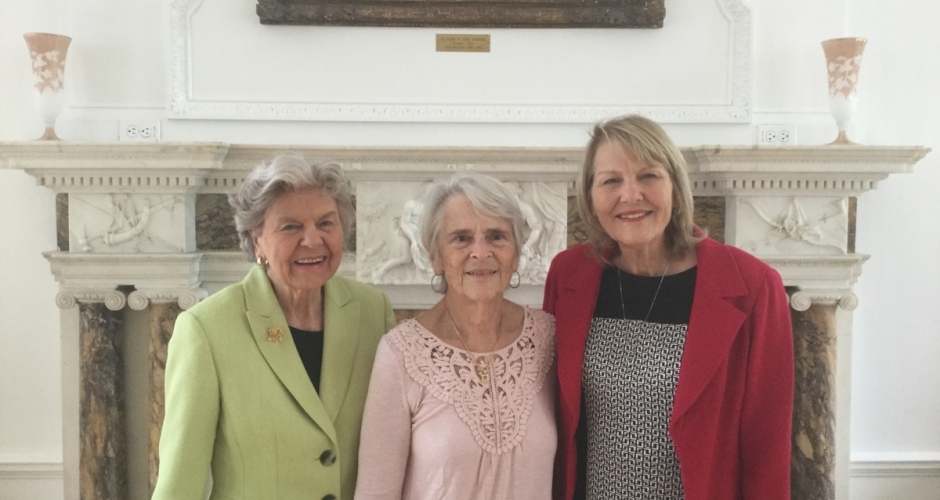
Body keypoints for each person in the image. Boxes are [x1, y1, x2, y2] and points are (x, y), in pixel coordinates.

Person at [543, 115, 794, 500]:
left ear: (674, 186)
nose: (631, 195)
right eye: (611, 180)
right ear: (590, 199)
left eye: (648, 176)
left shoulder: (752, 285)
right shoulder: (568, 275)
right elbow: (554, 419)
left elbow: (767, 442)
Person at [153, 154, 397, 500]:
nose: (312, 241)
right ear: (257, 241)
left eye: (326, 223)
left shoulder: (373, 312)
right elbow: (181, 482)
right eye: (290, 227)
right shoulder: (206, 329)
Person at [355, 173, 557, 500]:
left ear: (517, 254)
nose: (480, 252)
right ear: (435, 256)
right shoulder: (400, 354)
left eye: (496, 237)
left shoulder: (548, 338)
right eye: (461, 238)